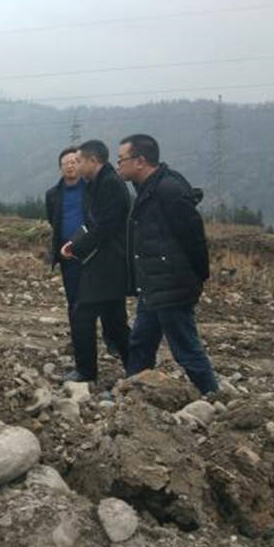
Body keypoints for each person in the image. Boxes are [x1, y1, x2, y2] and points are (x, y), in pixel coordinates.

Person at [116, 134, 218, 394]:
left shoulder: (168, 190)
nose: (118, 166)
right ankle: (132, 393)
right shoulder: (147, 189)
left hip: (172, 285)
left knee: (185, 347)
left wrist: (196, 278)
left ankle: (213, 396)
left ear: (140, 161)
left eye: (121, 159)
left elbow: (194, 238)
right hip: (153, 284)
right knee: (141, 342)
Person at [59, 139, 130, 381]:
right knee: (114, 321)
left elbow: (103, 227)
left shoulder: (110, 184)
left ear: (93, 160)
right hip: (103, 260)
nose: (75, 165)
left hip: (108, 262)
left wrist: (76, 247)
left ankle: (86, 371)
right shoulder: (97, 183)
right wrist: (73, 243)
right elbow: (91, 223)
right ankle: (136, 367)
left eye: (79, 160)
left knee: (83, 314)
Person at [46, 146, 120, 358]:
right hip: (68, 256)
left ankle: (113, 341)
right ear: (60, 167)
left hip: (95, 253)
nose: (70, 166)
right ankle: (79, 341)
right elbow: (53, 220)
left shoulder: (93, 188)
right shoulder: (53, 194)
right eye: (65, 163)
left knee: (105, 300)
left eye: (74, 162)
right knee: (75, 302)